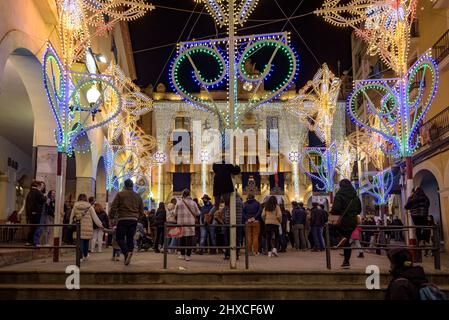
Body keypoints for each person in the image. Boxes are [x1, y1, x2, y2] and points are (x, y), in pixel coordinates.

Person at [109, 178, 144, 265]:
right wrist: (138, 218)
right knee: (129, 239)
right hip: (133, 220)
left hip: (123, 219)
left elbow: (113, 207)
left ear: (125, 186)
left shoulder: (120, 194)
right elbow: (141, 210)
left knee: (119, 238)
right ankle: (127, 257)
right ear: (132, 186)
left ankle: (126, 253)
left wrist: (111, 217)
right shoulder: (137, 196)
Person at [330, 179, 362, 268]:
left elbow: (336, 209)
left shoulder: (339, 195)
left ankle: (341, 238)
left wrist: (332, 212)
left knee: (332, 230)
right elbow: (359, 210)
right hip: (352, 222)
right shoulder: (355, 197)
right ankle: (346, 261)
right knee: (347, 241)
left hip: (342, 221)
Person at [70, 194, 103, 261]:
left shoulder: (75, 206)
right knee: (86, 242)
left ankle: (80, 257)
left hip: (79, 226)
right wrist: (100, 225)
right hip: (88, 227)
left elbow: (71, 215)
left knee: (80, 242)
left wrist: (70, 223)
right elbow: (95, 217)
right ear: (86, 199)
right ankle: (85, 255)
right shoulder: (89, 207)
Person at [173, 189, 200, 261]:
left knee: (181, 239)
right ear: (189, 194)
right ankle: (188, 256)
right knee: (189, 240)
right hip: (190, 224)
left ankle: (182, 255)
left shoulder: (179, 203)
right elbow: (198, 213)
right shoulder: (193, 203)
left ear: (183, 195)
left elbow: (174, 213)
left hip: (181, 223)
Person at [222, 192, 244, 259]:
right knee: (237, 239)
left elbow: (224, 210)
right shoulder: (240, 201)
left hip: (229, 222)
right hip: (238, 222)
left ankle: (227, 254)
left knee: (228, 239)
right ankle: (236, 254)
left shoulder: (230, 200)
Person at [25, 181, 46, 246]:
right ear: (37, 185)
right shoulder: (37, 192)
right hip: (36, 212)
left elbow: (27, 204)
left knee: (32, 227)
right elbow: (43, 200)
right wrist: (45, 196)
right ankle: (31, 241)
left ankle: (29, 241)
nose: (40, 187)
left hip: (30, 212)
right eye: (40, 185)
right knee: (34, 227)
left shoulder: (29, 192)